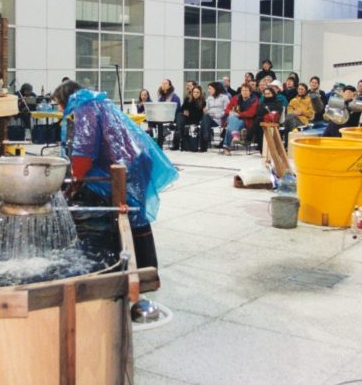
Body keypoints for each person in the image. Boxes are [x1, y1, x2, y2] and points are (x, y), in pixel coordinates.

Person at [52, 80, 177, 269]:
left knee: (128, 215)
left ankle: (131, 270)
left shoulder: (85, 109)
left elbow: (83, 154)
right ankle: (145, 267)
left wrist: (72, 185)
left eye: (58, 104)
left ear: (65, 99)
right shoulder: (97, 103)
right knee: (135, 216)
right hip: (135, 162)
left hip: (126, 168)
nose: (59, 109)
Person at [221, 84, 259, 154]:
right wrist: (230, 112)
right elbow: (227, 109)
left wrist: (238, 114)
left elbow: (251, 113)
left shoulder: (255, 100)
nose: (244, 92)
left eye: (246, 90)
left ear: (250, 92)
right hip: (235, 119)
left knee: (230, 125)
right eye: (243, 90)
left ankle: (226, 147)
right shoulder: (236, 98)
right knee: (232, 117)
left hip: (246, 121)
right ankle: (234, 136)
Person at [172, 84, 206, 151]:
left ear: (200, 93)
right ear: (192, 92)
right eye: (194, 92)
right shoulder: (188, 99)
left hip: (195, 120)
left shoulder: (203, 102)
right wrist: (184, 111)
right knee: (179, 115)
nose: (195, 94)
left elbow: (199, 115)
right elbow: (182, 109)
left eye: (197, 92)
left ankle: (179, 133)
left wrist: (189, 113)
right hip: (186, 119)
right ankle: (178, 133)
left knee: (180, 124)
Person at [203, 82, 229, 148]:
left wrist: (217, 115)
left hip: (219, 120)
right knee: (205, 116)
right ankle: (206, 136)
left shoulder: (224, 97)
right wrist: (206, 111)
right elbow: (207, 109)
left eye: (210, 89)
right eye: (208, 89)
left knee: (205, 118)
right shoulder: (209, 98)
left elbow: (227, 110)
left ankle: (206, 136)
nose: (208, 90)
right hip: (210, 119)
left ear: (216, 89)